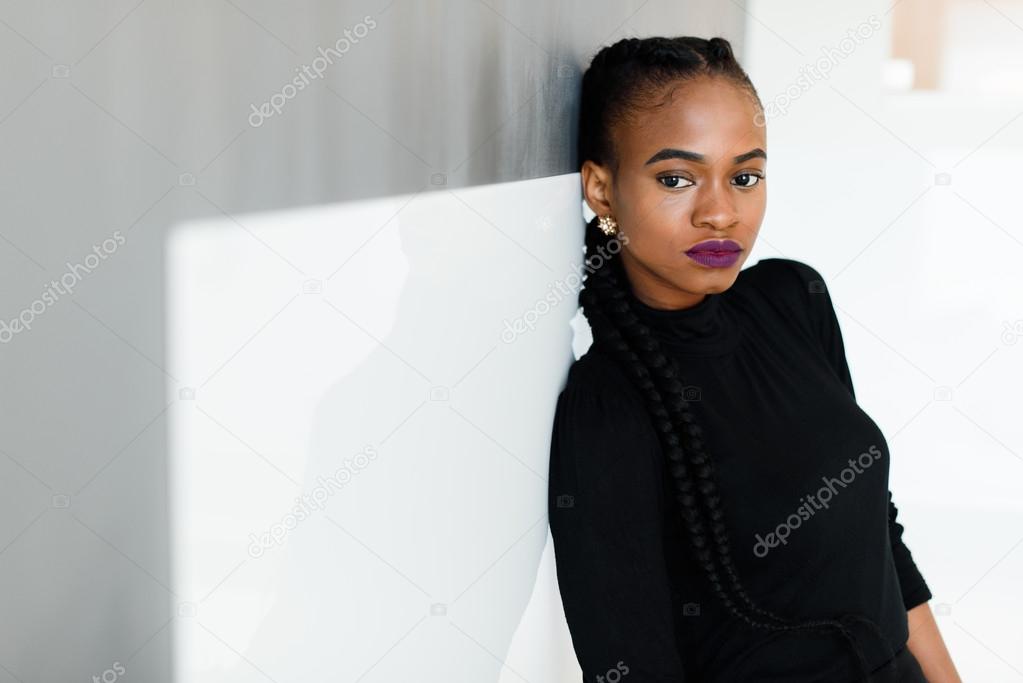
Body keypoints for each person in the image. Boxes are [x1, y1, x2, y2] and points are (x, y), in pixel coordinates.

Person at [547, 36, 961, 682]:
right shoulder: (606, 411)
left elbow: (877, 537)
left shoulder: (794, 300)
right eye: (675, 178)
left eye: (743, 176)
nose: (719, 212)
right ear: (601, 190)